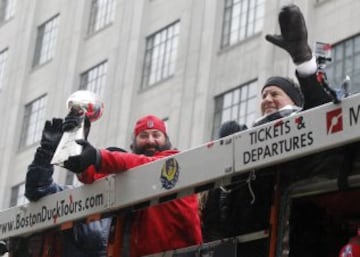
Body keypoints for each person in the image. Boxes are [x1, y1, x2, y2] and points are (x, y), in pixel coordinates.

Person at [64, 114, 202, 257]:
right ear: (133, 144)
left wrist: (98, 156)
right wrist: (76, 143)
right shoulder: (131, 171)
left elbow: (146, 165)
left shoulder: (174, 160)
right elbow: (94, 177)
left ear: (166, 140)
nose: (150, 141)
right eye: (143, 136)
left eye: (156, 135)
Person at [8, 118, 111, 257]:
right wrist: (47, 152)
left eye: (114, 166)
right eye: (104, 166)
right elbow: (38, 189)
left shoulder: (138, 209)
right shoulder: (77, 199)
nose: (110, 173)